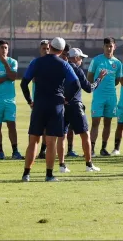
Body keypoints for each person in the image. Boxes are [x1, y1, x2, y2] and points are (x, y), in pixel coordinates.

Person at [20, 37, 81, 182]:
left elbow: (23, 84)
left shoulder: (36, 62)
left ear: (50, 47)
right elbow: (76, 84)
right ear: (61, 50)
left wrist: (30, 101)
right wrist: (67, 98)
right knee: (51, 141)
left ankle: (26, 174)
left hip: (39, 105)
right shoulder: (64, 64)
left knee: (33, 140)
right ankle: (48, 175)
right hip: (56, 106)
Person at [63, 47, 104, 171]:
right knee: (85, 134)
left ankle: (61, 165)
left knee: (62, 136)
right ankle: (89, 165)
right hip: (75, 105)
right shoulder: (77, 69)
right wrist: (99, 79)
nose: (81, 60)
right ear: (75, 58)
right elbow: (89, 88)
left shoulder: (60, 67)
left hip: (61, 105)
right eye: (80, 58)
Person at [0, 40, 23, 160]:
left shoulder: (13, 62)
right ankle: (1, 151)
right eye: (2, 47)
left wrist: (5, 64)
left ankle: (15, 151)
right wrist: (6, 76)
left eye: (6, 48)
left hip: (10, 100)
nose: (4, 50)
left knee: (11, 125)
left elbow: (13, 76)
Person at [87, 37, 122, 157]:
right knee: (95, 122)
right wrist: (97, 86)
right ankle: (91, 148)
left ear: (114, 47)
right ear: (103, 47)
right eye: (106, 46)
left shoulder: (117, 63)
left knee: (108, 122)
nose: (108, 48)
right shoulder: (96, 60)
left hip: (111, 97)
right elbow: (89, 77)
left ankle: (103, 148)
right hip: (98, 96)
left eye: (110, 46)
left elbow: (117, 80)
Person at [58, 43, 78, 158]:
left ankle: (69, 150)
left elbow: (76, 85)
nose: (65, 57)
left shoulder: (70, 67)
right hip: (57, 102)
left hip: (67, 101)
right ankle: (44, 150)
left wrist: (67, 98)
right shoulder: (57, 65)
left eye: (66, 54)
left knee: (68, 128)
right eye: (63, 54)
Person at [34, 40, 51, 159]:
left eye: (47, 48)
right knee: (37, 129)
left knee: (47, 128)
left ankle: (43, 150)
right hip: (38, 100)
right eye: (43, 48)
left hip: (50, 101)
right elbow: (34, 79)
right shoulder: (36, 63)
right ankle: (35, 150)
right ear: (40, 49)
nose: (45, 50)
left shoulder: (53, 63)